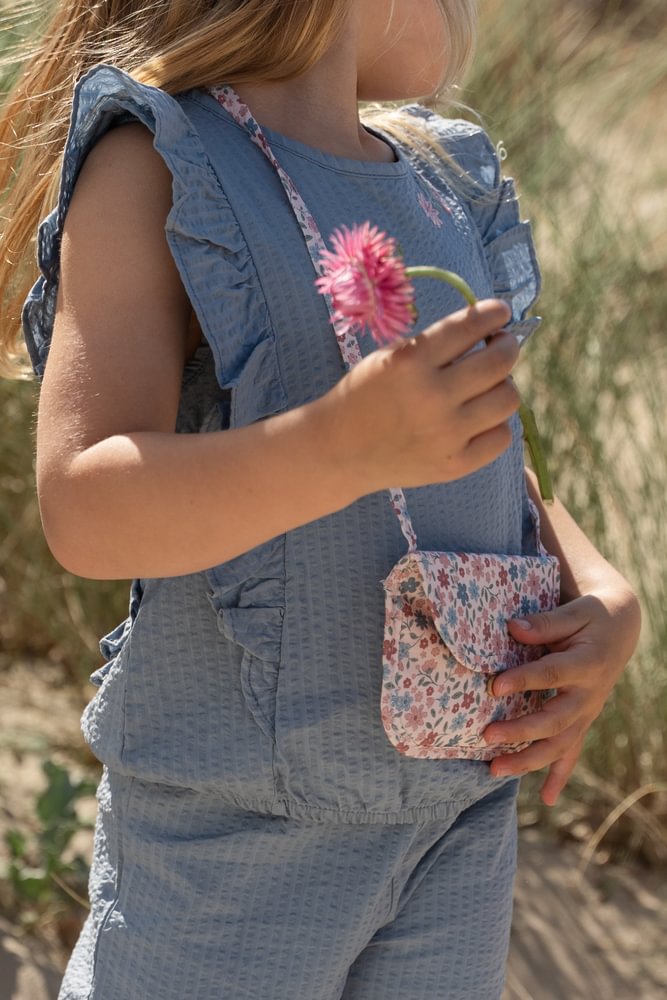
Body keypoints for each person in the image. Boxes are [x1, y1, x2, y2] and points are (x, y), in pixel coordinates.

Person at [0, 1, 641, 998]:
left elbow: (481, 460)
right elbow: (83, 504)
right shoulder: (168, 159)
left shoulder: (439, 180)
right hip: (235, 834)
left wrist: (597, 592)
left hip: (457, 822)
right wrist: (334, 448)